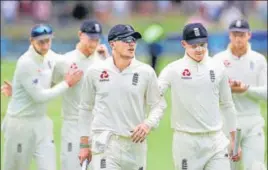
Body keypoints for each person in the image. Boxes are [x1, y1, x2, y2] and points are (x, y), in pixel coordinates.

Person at [78, 24, 166, 170]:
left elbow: (159, 104)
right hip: (105, 144)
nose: (131, 43)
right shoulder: (95, 71)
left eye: (134, 40)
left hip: (135, 146)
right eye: (126, 40)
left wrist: (147, 124)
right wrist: (84, 145)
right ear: (112, 44)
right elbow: (85, 108)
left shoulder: (146, 72)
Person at [158, 22, 241, 170]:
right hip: (186, 142)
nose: (199, 49)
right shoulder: (173, 69)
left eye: (202, 44)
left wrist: (234, 139)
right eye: (194, 45)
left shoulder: (218, 67)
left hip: (216, 140)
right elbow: (154, 93)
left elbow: (227, 104)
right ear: (184, 44)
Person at [1, 24, 83, 170]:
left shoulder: (49, 55)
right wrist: (67, 83)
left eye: (48, 41)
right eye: (41, 42)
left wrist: (94, 52)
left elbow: (70, 61)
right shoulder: (26, 63)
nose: (45, 46)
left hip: (41, 124)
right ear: (31, 41)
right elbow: (40, 96)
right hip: (19, 125)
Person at [52, 19, 109, 170]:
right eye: (90, 39)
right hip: (73, 124)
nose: (93, 43)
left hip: (99, 126)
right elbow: (47, 86)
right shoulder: (65, 61)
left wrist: (108, 59)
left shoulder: (103, 61)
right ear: (80, 35)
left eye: (97, 39)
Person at [213, 19, 267, 170]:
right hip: (226, 125)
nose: (238, 38)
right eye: (235, 34)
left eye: (242, 34)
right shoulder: (218, 60)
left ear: (249, 35)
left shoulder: (258, 60)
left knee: (256, 167)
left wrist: (246, 89)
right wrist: (226, 88)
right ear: (229, 35)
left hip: (252, 122)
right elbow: (210, 93)